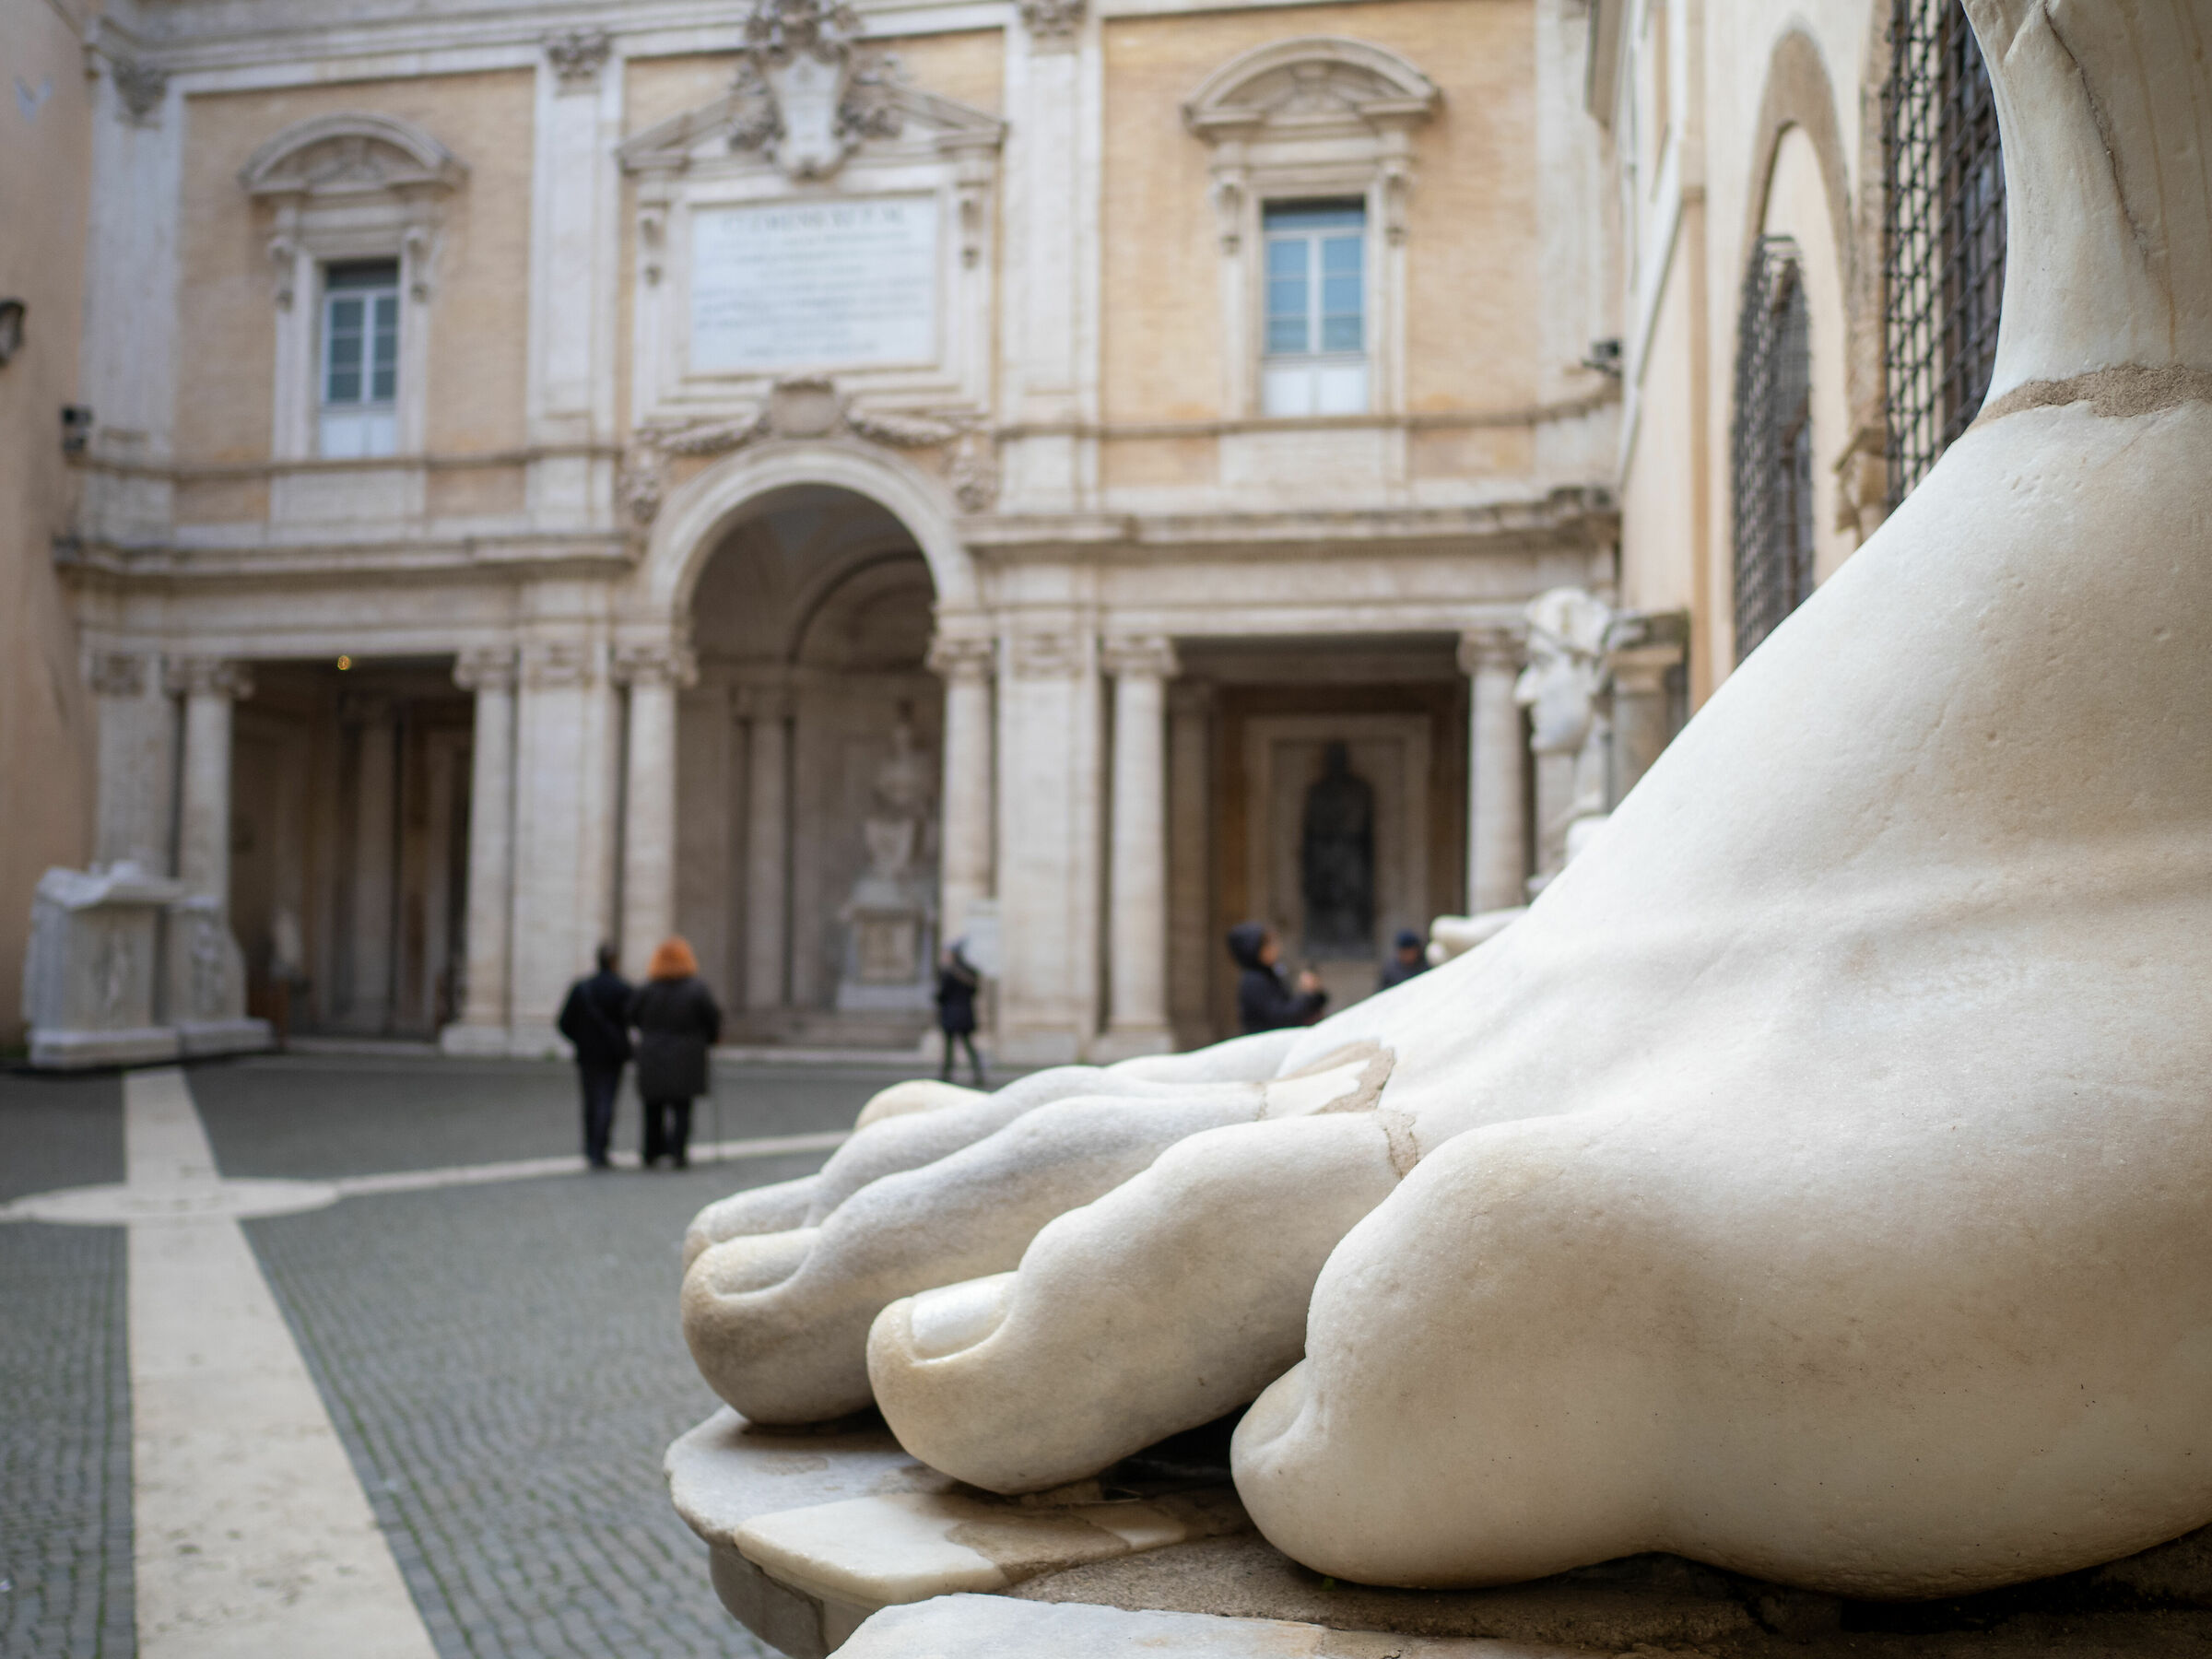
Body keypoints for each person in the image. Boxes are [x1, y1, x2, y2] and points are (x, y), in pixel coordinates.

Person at [629, 936, 722, 1171]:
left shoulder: (648, 988)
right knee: (682, 1108)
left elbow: (630, 1015)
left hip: (652, 1053)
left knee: (653, 1109)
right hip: (686, 1055)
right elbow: (712, 1018)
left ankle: (651, 1152)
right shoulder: (696, 988)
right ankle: (679, 1152)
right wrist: (709, 1039)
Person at [557, 944, 632, 1170]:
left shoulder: (582, 988)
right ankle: (601, 1149)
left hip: (587, 1054)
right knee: (607, 1100)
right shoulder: (622, 989)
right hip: (612, 1054)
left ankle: (591, 1148)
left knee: (590, 1101)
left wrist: (580, 1039)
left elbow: (563, 1022)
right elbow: (632, 1019)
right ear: (614, 961)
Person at [1227, 921, 1327, 1035]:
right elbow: (1281, 1017)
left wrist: (1313, 993)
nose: (1275, 947)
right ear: (1253, 948)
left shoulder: (1270, 973)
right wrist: (1307, 994)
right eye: (1268, 944)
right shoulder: (1254, 980)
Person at [935, 942, 985, 1088]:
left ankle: (946, 1074)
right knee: (969, 1046)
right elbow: (975, 991)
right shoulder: (970, 972)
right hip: (966, 1014)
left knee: (949, 1047)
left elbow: (942, 995)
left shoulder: (948, 973)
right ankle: (978, 1073)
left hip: (950, 1014)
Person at [1377, 927, 1430, 992]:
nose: (1407, 955)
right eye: (1404, 952)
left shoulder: (1424, 967)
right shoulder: (1391, 970)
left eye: (1410, 952)